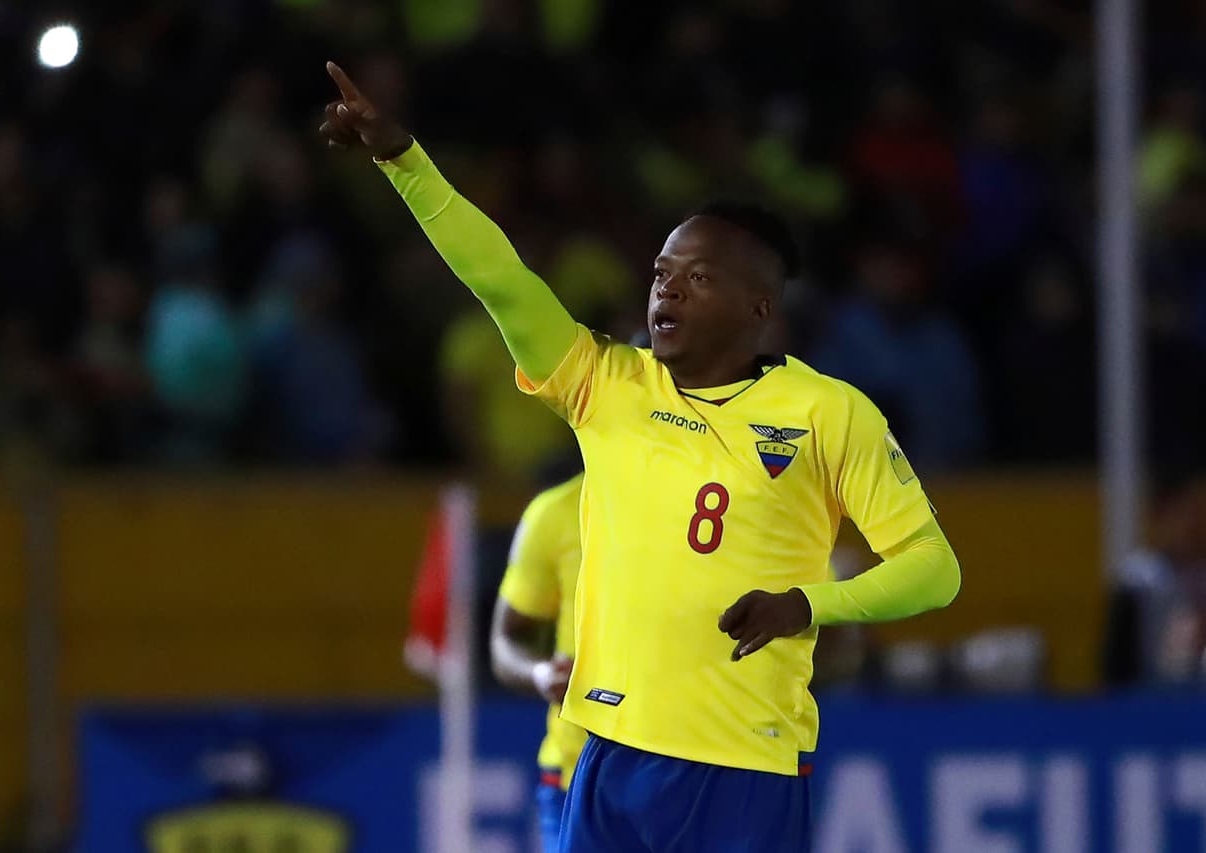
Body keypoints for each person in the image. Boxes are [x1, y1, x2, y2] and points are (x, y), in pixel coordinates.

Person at [320, 62, 961, 853]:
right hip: (607, 748)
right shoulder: (606, 383)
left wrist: (808, 604)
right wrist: (404, 161)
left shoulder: (828, 412)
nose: (668, 293)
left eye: (697, 278)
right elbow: (502, 280)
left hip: (742, 760)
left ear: (760, 307)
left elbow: (934, 568)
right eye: (661, 275)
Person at [490, 472, 587, 853]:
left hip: (694, 762)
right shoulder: (557, 513)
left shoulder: (708, 504)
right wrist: (540, 673)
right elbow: (506, 640)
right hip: (575, 772)